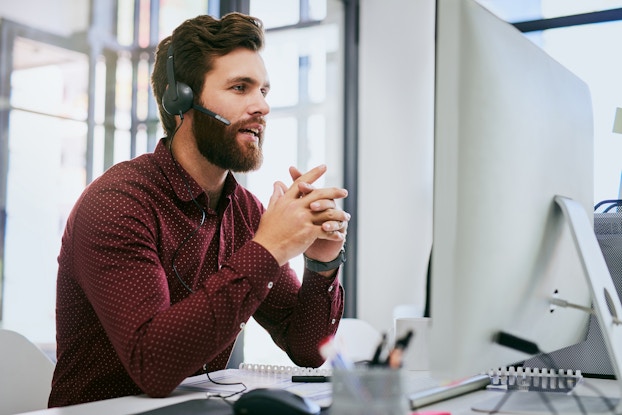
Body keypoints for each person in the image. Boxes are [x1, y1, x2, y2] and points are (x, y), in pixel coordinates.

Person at [48, 12, 349, 407]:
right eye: (241, 88)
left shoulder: (244, 211)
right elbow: (152, 364)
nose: (262, 106)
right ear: (180, 99)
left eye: (264, 91)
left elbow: (308, 350)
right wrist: (270, 247)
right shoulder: (118, 203)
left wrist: (321, 264)